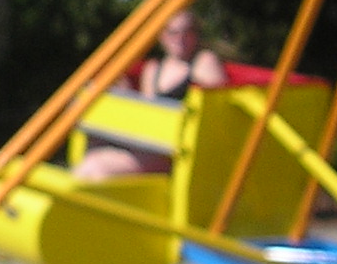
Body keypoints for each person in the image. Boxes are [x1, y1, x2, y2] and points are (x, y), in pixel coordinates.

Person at [75, 9, 229, 180]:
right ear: (162, 36)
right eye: (173, 32)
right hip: (151, 144)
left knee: (96, 167)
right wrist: (125, 93)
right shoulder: (153, 69)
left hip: (178, 154)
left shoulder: (204, 62)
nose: (180, 38)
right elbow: (148, 114)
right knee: (93, 148)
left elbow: (218, 111)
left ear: (196, 34)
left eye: (187, 32)